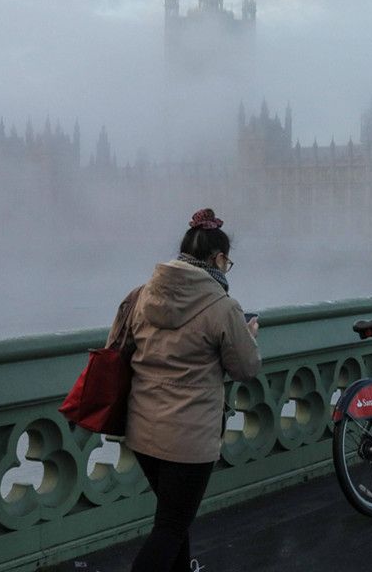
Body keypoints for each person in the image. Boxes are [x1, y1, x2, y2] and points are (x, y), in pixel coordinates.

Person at [111, 208, 261, 572]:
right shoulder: (223, 308)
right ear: (218, 258)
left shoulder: (141, 295)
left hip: (143, 431)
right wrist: (249, 336)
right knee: (171, 526)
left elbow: (116, 350)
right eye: (228, 262)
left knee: (174, 522)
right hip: (190, 439)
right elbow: (245, 368)